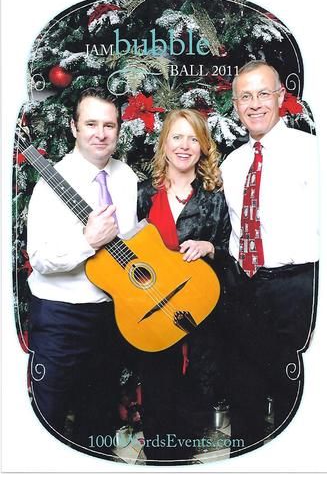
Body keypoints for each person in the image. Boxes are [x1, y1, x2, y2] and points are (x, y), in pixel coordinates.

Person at [27, 88, 138, 450]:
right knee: (50, 416)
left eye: (109, 125)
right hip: (61, 317)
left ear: (119, 129)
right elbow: (40, 257)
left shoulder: (126, 177)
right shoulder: (50, 183)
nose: (100, 133)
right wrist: (87, 242)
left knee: (99, 417)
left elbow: (131, 242)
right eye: (91, 123)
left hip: (108, 316)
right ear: (75, 127)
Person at [220, 60, 319, 456]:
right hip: (244, 288)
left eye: (264, 93)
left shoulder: (313, 151)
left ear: (281, 97)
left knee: (292, 394)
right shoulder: (231, 164)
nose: (255, 104)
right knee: (243, 391)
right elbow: (233, 229)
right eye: (246, 96)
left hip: (298, 288)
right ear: (236, 104)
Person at [137, 109, 231, 464]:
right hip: (152, 311)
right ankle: (158, 459)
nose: (185, 145)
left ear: (203, 147)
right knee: (157, 386)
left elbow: (229, 252)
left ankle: (183, 459)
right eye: (177, 136)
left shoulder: (214, 196)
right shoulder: (144, 195)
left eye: (193, 138)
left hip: (198, 312)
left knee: (194, 388)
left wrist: (209, 248)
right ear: (165, 144)